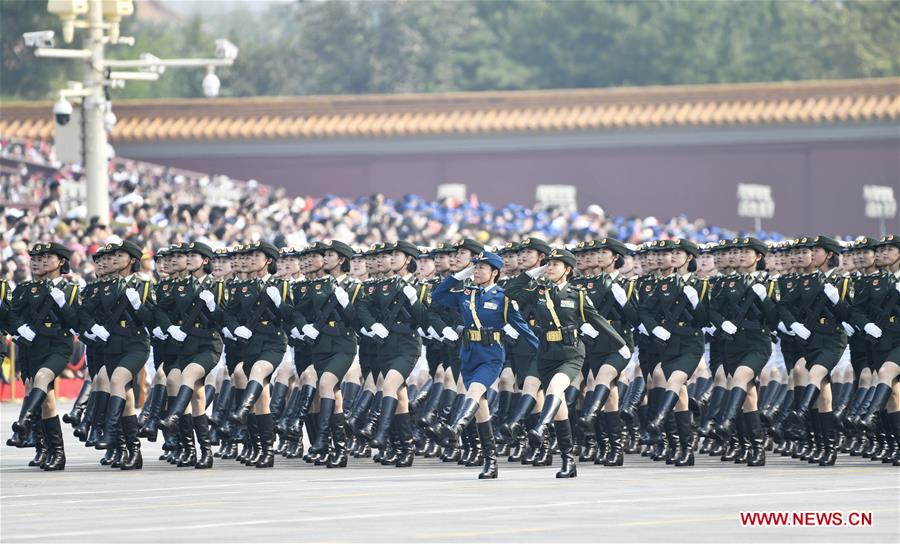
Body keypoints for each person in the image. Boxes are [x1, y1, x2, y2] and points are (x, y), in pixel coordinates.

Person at [505, 248, 628, 478]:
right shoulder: (538, 290)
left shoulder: (576, 293)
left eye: (555, 264)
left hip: (571, 353)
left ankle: (541, 426)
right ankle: (567, 460)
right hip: (545, 353)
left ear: (568, 270)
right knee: (559, 406)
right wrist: (534, 272)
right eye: (548, 264)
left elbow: (598, 320)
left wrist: (621, 344)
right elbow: (511, 292)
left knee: (554, 389)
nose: (550, 267)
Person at [430, 251, 538, 478]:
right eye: (475, 267)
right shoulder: (466, 293)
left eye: (481, 268)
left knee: (476, 390)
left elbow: (522, 328)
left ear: (494, 273)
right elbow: (437, 295)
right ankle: (491, 462)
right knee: (481, 410)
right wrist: (461, 274)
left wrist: (543, 352)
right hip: (468, 354)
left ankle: (457, 427)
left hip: (491, 356)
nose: (477, 271)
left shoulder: (503, 297)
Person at [79, 240, 156, 470]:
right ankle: (131, 450)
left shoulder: (143, 286)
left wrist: (138, 305)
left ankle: (109, 432)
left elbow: (152, 320)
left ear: (132, 260)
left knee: (117, 380)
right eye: (110, 256)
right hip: (111, 344)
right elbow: (83, 312)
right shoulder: (104, 286)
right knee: (126, 398)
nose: (112, 259)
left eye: (118, 256)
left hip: (135, 343)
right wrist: (93, 328)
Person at [7, 242, 80, 471]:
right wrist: (20, 329)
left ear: (61, 262)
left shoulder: (71, 290)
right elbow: (11, 315)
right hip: (31, 347)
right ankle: (45, 449)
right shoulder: (24, 288)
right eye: (36, 259)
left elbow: (77, 323)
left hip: (58, 345)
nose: (39, 262)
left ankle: (26, 424)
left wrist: (62, 303)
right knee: (43, 399)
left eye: (46, 258)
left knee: (41, 380)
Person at [155, 242, 226, 469]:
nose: (188, 258)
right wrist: (168, 327)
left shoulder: (216, 286)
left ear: (205, 261)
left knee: (187, 375)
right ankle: (190, 449)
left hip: (207, 345)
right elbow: (160, 309)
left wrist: (213, 306)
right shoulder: (180, 285)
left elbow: (224, 319)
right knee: (189, 391)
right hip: (185, 346)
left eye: (193, 255)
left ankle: (174, 418)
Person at [225, 241, 293, 468]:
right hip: (250, 344)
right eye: (250, 255)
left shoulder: (281, 286)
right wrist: (235, 328)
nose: (251, 259)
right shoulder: (243, 286)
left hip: (273, 342)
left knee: (258, 371)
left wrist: (279, 303)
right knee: (261, 401)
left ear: (269, 260)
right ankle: (263, 449)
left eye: (257, 255)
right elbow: (229, 314)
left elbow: (292, 317)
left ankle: (242, 408)